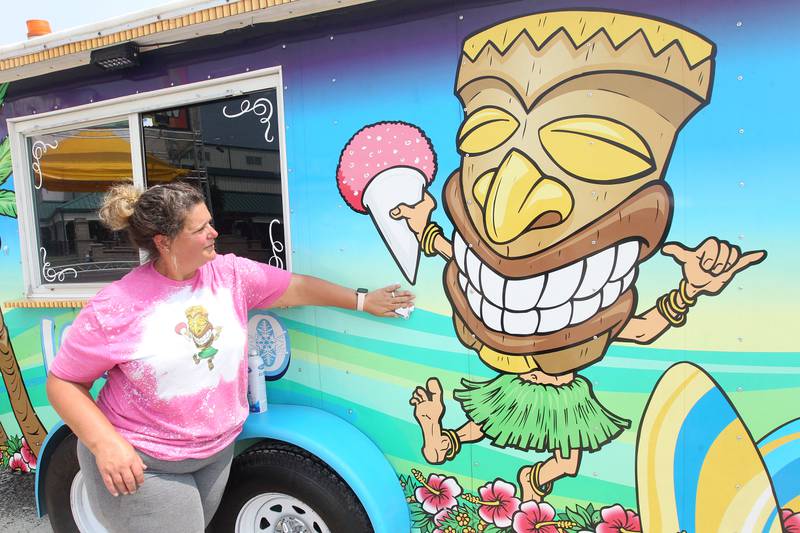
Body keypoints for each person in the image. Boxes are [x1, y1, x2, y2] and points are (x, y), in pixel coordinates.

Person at [46, 181, 414, 532]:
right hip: (144, 463)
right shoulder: (117, 306)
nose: (214, 233)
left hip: (214, 453)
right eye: (201, 228)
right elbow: (64, 382)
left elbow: (296, 287)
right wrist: (104, 444)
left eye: (210, 222)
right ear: (164, 241)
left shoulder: (228, 274)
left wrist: (364, 301)